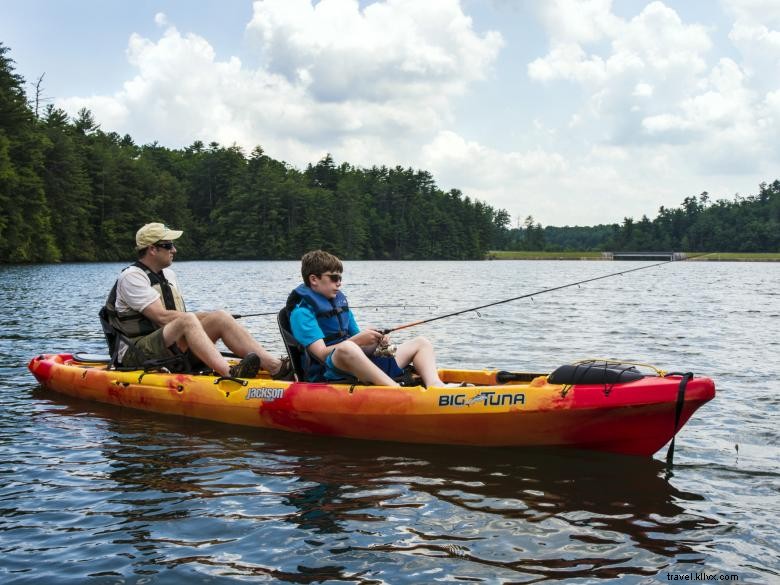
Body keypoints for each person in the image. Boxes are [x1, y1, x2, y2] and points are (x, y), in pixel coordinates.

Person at [102, 222, 287, 378]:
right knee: (188, 319)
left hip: (168, 348)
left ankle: (277, 367)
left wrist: (213, 317)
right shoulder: (132, 277)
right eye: (168, 245)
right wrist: (195, 319)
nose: (174, 249)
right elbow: (162, 318)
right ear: (152, 249)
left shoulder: (169, 275)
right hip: (135, 352)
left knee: (220, 317)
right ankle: (230, 373)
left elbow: (180, 319)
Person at [287, 249, 444, 387]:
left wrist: (376, 340)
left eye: (340, 278)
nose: (339, 283)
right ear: (314, 279)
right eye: (334, 278)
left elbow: (359, 340)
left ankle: (435, 386)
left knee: (421, 343)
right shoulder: (301, 313)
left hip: (358, 361)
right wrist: (358, 340)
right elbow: (321, 354)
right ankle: (394, 388)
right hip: (329, 371)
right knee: (347, 347)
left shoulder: (339, 304)